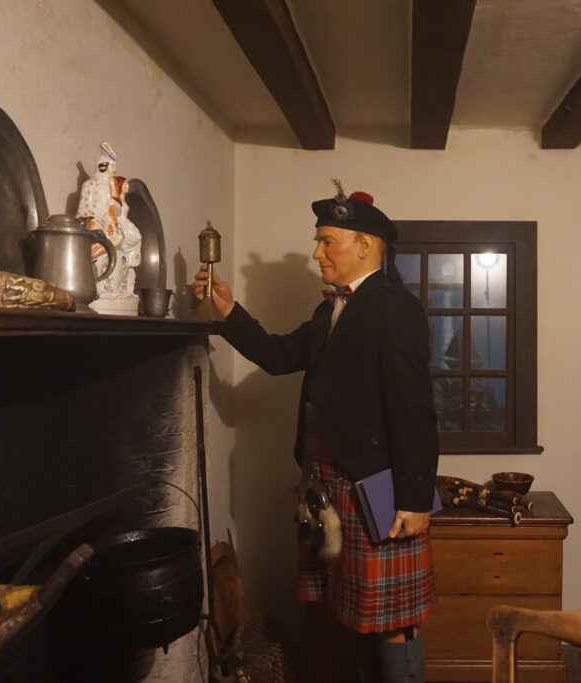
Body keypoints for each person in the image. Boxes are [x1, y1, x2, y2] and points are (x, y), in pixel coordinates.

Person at [192, 183, 438, 683]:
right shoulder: (332, 309)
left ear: (364, 245)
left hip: (378, 485)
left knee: (393, 621)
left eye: (327, 241)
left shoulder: (394, 307)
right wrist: (229, 312)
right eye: (318, 241)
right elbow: (281, 355)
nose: (317, 253)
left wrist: (414, 499)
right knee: (358, 616)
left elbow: (414, 409)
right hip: (329, 484)